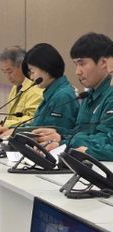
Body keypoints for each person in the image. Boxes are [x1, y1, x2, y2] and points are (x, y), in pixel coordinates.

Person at [34, 33, 113, 161]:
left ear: (103, 62)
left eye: (82, 64)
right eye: (76, 64)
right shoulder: (88, 95)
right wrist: (59, 136)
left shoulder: (110, 95)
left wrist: (67, 140)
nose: (77, 72)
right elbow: (81, 132)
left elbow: (107, 140)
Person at [19, 43, 79, 136]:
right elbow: (38, 126)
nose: (31, 77)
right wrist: (13, 130)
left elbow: (49, 134)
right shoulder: (53, 92)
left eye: (32, 72)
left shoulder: (62, 96)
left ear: (45, 68)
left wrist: (16, 132)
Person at [0, 47, 43, 136]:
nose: (8, 77)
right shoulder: (16, 87)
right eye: (4, 72)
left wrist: (2, 123)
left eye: (10, 71)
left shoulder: (36, 88)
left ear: (23, 66)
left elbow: (32, 120)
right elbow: (13, 118)